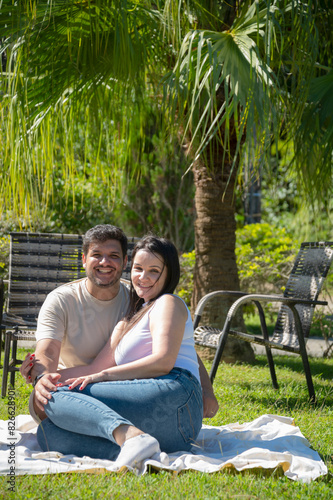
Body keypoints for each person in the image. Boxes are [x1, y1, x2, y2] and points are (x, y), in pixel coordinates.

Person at [21, 225, 218, 422]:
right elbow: (51, 353)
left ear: (124, 262)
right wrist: (44, 379)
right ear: (84, 260)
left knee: (64, 405)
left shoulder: (150, 300)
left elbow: (175, 351)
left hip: (132, 388)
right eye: (96, 254)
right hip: (89, 382)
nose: (104, 262)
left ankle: (114, 429)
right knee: (46, 413)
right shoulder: (65, 300)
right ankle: (120, 432)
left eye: (113, 255)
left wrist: (207, 391)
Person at [36, 235, 204, 468]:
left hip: (175, 395)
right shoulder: (128, 320)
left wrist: (103, 377)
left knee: (57, 397)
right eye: (138, 269)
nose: (143, 278)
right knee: (48, 433)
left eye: (154, 271)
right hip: (171, 431)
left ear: (169, 273)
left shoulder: (168, 303)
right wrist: (43, 380)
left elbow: (163, 361)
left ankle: (130, 436)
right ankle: (141, 445)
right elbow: (95, 368)